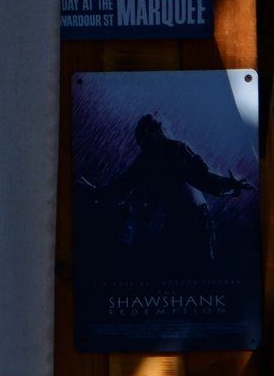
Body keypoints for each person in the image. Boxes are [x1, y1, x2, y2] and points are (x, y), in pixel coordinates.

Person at [84, 113, 248, 271]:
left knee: (172, 268)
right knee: (199, 268)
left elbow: (124, 184)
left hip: (176, 221)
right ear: (159, 128)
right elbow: (204, 180)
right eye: (153, 115)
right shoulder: (176, 148)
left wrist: (96, 193)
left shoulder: (148, 157)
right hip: (195, 217)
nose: (157, 112)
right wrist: (231, 184)